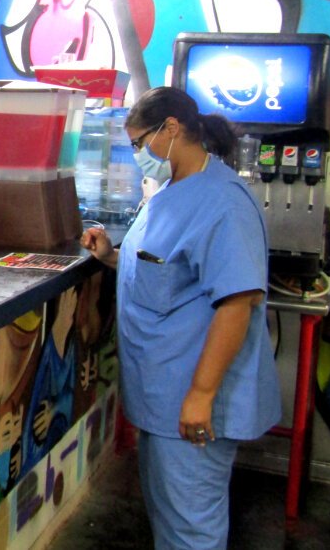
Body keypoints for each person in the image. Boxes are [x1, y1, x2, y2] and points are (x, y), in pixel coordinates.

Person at [80, 86, 281, 549]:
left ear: (171, 128)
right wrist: (112, 255)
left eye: (138, 143)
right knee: (172, 519)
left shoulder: (223, 203)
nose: (136, 155)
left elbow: (236, 305)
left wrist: (201, 394)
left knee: (191, 529)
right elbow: (164, 273)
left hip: (190, 402)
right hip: (161, 395)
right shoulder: (173, 191)